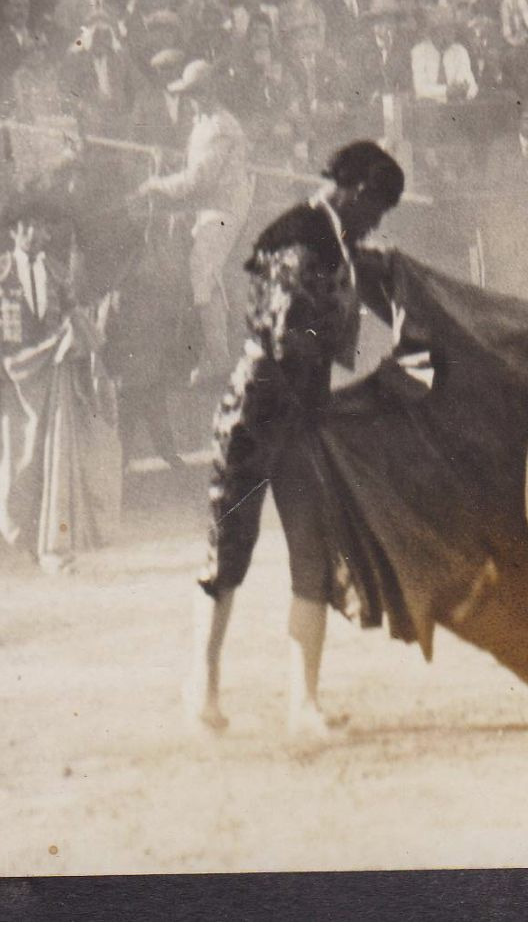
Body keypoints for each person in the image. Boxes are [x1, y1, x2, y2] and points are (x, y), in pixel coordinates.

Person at [191, 140, 407, 738]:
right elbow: (291, 330)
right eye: (378, 209)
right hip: (260, 408)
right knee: (229, 546)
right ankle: (202, 687)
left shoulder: (326, 237)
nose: (376, 224)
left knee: (311, 553)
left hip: (298, 411)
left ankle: (302, 704)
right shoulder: (303, 233)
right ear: (357, 192)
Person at [0, 196, 122, 576]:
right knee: (20, 463)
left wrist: (90, 328)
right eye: (26, 225)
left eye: (41, 226)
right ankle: (32, 538)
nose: (34, 233)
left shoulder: (59, 273)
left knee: (56, 458)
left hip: (53, 375)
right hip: (13, 376)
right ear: (14, 230)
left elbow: (73, 318)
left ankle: (55, 547)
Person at [137, 60, 252, 385]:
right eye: (189, 94)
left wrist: (156, 184)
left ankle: (219, 358)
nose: (192, 99)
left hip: (224, 208)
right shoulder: (201, 122)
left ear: (210, 91)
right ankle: (189, 346)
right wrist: (168, 161)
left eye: (197, 93)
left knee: (201, 266)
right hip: (204, 204)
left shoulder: (220, 126)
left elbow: (196, 181)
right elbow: (192, 166)